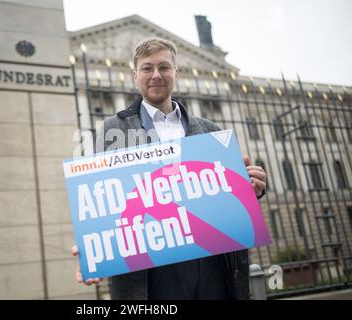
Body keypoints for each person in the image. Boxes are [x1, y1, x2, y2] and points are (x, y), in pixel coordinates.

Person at [71, 37, 267, 300]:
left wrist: (250, 188)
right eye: (147, 68)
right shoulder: (113, 129)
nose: (156, 75)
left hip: (212, 261)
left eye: (164, 67)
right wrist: (94, 250)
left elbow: (225, 200)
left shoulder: (211, 131)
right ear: (135, 76)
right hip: (152, 270)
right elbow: (107, 198)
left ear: (176, 73)